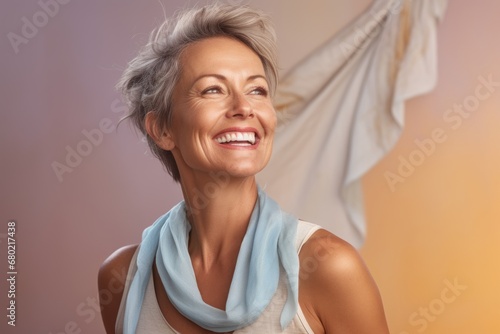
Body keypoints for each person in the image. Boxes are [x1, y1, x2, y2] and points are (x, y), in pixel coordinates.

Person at [98, 3, 390, 333]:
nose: (243, 108)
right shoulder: (122, 278)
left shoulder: (327, 266)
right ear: (163, 129)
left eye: (256, 90)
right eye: (213, 89)